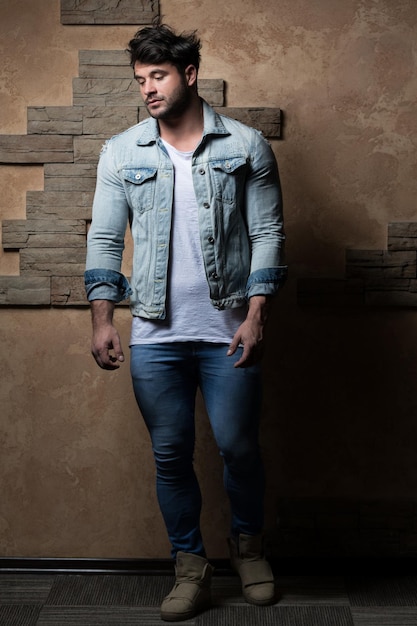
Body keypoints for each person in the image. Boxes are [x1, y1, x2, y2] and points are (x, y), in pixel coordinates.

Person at [84, 22, 287, 622]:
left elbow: (268, 233)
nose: (147, 88)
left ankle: (249, 551)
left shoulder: (246, 146)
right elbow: (103, 238)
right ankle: (189, 565)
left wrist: (256, 315)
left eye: (159, 75)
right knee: (171, 456)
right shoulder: (122, 151)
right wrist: (101, 318)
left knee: (238, 448)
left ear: (189, 75)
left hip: (228, 332)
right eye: (140, 79)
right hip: (155, 335)